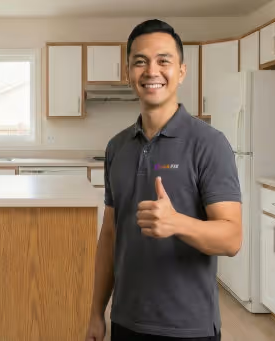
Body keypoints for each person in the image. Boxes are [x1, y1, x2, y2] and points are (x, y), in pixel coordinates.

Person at [85, 19, 243, 341]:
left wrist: (178, 223)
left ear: (181, 71)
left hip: (189, 327)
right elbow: (110, 234)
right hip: (126, 321)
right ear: (128, 73)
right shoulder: (117, 147)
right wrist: (95, 312)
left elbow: (231, 238)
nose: (151, 71)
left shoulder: (209, 143)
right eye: (139, 61)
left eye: (163, 61)